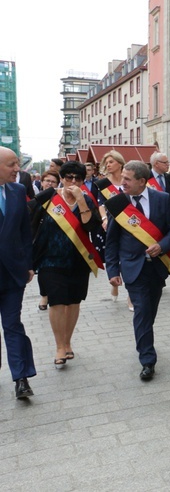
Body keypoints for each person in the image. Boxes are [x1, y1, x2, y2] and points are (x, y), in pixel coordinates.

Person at [105, 161, 170, 381]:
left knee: (149, 312)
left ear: (142, 181)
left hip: (157, 267)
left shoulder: (162, 199)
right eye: (122, 178)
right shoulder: (118, 204)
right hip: (132, 267)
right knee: (142, 311)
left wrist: (163, 245)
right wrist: (112, 270)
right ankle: (147, 359)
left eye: (127, 179)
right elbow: (112, 241)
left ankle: (144, 339)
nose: (122, 182)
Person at [32, 161, 102, 368]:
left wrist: (81, 201)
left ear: (83, 180)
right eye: (68, 177)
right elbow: (31, 223)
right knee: (57, 301)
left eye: (77, 178)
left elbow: (91, 226)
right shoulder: (49, 198)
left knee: (73, 302)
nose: (72, 181)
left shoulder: (87, 200)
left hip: (78, 259)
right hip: (50, 259)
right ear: (61, 178)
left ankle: (68, 341)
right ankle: (59, 346)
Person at [0, 146, 37, 399]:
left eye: (17, 164)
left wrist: (29, 264)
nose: (18, 169)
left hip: (13, 274)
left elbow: (26, 232)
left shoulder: (18, 191)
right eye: (12, 164)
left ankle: (21, 378)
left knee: (13, 325)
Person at [95, 151, 126, 303]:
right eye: (106, 162)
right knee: (113, 253)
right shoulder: (104, 184)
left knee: (128, 253)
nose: (108, 165)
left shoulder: (128, 181)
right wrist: (104, 218)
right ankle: (115, 280)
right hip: (110, 223)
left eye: (111, 162)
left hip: (128, 223)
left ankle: (131, 293)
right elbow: (101, 204)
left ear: (120, 163)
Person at [34, 170, 60, 312]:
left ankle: (52, 294)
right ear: (42, 182)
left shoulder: (59, 199)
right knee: (42, 269)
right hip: (39, 239)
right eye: (47, 181)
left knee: (50, 269)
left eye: (53, 181)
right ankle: (44, 295)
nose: (49, 183)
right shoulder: (36, 198)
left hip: (55, 240)